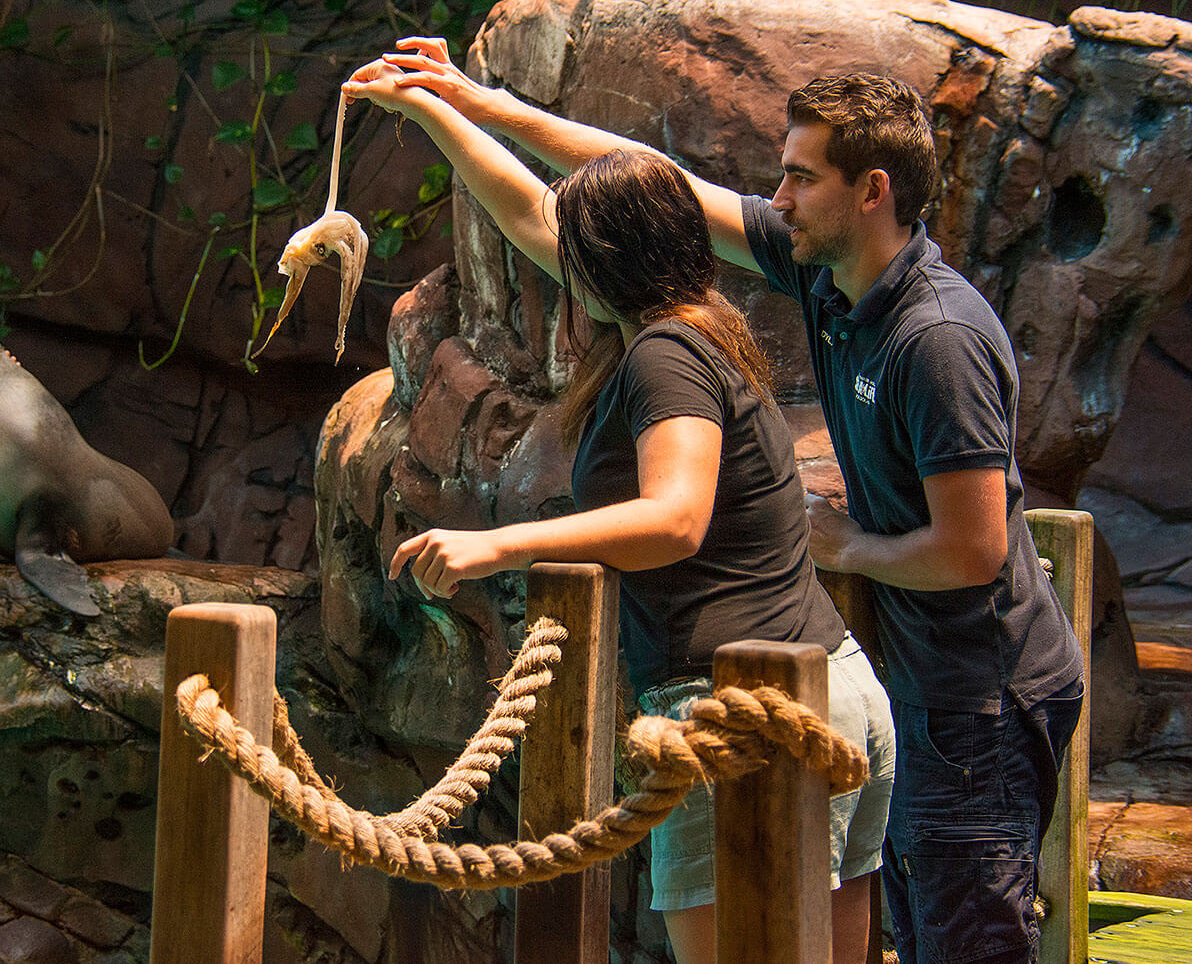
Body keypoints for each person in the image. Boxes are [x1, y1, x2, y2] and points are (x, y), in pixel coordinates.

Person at [369, 38, 1085, 964]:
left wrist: (498, 546)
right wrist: (461, 106)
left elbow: (961, 549)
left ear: (871, 191)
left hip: (942, 692)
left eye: (798, 177)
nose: (776, 198)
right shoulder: (803, 289)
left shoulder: (921, 337)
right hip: (853, 682)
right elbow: (591, 202)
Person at [345, 63, 894, 964]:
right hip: (831, 690)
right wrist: (436, 107)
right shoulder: (694, 321)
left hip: (748, 716)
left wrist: (497, 544)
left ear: (600, 263)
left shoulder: (663, 356)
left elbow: (674, 518)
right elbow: (527, 209)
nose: (551, 253)